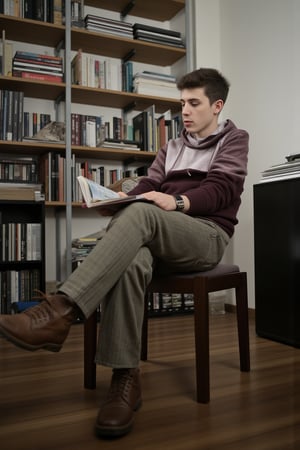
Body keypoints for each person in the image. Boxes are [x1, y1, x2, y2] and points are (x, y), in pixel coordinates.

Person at [0, 68, 249, 439]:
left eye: (194, 103)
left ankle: (60, 311)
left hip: (205, 235)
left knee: (143, 213)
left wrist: (177, 200)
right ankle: (124, 380)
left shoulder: (233, 139)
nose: (185, 111)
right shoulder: (172, 145)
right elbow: (149, 183)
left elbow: (221, 191)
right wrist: (120, 199)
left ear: (217, 106)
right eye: (182, 103)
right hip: (162, 234)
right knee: (132, 258)